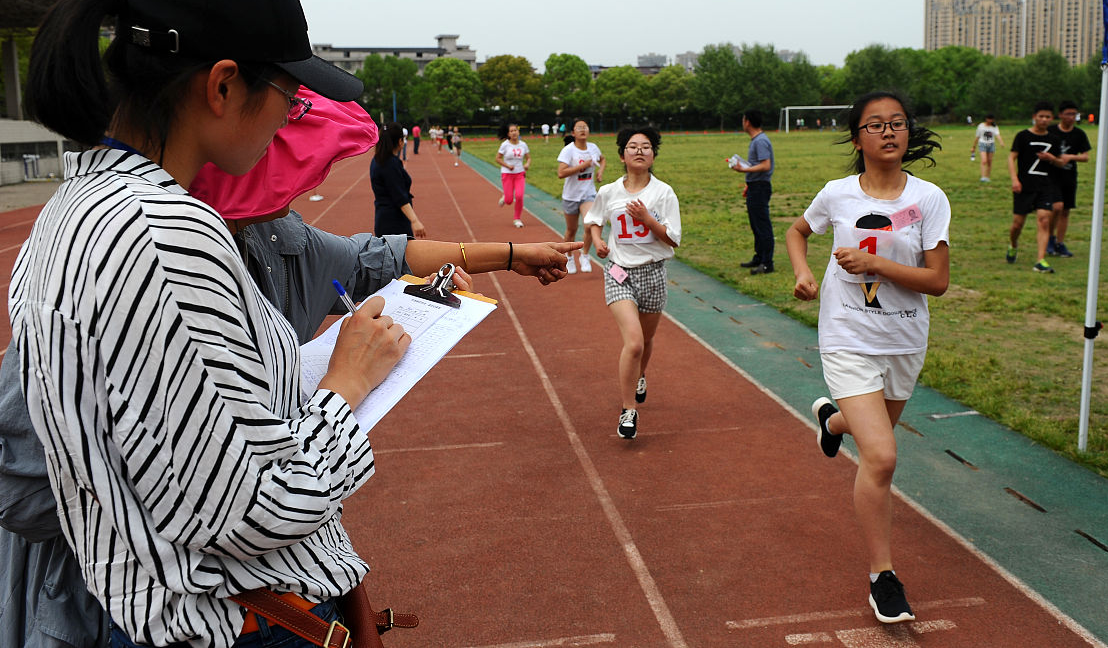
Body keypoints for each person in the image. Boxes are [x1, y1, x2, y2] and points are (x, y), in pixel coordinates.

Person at [2, 81, 579, 648]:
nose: (292, 189)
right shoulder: (148, 258)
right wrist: (143, 495)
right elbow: (29, 480)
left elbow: (375, 257)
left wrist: (506, 255)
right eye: (277, 145)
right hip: (152, 598)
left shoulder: (275, 237)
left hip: (281, 575)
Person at [11, 0, 415, 648]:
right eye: (288, 102)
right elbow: (258, 507)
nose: (287, 125)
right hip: (217, 624)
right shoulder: (167, 232)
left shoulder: (71, 209)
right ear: (224, 86)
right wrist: (347, 384)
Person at [785, 90, 949, 625]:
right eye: (875, 125)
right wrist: (804, 273)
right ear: (858, 138)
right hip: (847, 337)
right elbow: (796, 231)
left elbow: (937, 281)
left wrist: (870, 264)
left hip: (904, 339)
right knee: (881, 457)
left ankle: (833, 421)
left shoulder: (928, 200)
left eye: (897, 123)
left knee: (868, 428)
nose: (888, 132)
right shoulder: (837, 194)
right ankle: (883, 579)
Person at [585, 127, 681, 440]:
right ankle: (629, 410)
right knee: (635, 342)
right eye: (632, 146)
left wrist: (648, 219)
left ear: (653, 155)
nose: (639, 151)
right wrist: (598, 241)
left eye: (646, 147)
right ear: (622, 154)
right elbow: (595, 220)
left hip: (653, 273)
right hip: (618, 272)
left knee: (647, 341)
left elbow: (673, 239)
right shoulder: (609, 192)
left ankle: (640, 376)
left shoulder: (663, 192)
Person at [1006, 101, 1062, 273]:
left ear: (1052, 118)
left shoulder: (1054, 139)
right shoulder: (1023, 136)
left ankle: (1040, 260)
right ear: (1034, 117)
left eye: (1048, 117)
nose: (1044, 120)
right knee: (1017, 225)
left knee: (1044, 220)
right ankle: (1013, 245)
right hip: (1024, 186)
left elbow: (1060, 162)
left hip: (1045, 186)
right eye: (1041, 116)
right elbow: (1011, 158)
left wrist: (1051, 158)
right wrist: (1015, 180)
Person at [557, 119, 606, 273]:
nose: (583, 130)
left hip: (588, 194)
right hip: (571, 196)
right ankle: (569, 257)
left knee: (590, 224)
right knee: (571, 230)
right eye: (579, 128)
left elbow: (602, 159)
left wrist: (600, 171)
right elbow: (561, 173)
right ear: (573, 133)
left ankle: (584, 255)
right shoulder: (569, 150)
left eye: (585, 127)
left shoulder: (593, 148)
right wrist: (582, 166)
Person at [731, 112, 775, 274]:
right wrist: (748, 183)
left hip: (761, 187)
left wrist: (744, 170)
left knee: (762, 225)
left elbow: (765, 165)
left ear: (748, 122)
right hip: (755, 186)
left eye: (743, 119)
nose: (742, 122)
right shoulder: (756, 140)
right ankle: (759, 257)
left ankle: (767, 262)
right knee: (756, 224)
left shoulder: (760, 141)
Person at [1045, 100, 1090, 258]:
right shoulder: (1050, 131)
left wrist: (1070, 157)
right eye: (1068, 114)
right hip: (1052, 176)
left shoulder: (1079, 134)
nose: (1071, 117)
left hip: (1069, 176)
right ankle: (1049, 238)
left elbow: (1086, 157)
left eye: (1074, 114)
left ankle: (1059, 243)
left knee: (1065, 211)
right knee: (1056, 207)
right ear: (1060, 115)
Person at [370, 122, 426, 238]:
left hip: (384, 218)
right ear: (400, 141)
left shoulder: (377, 160)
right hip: (394, 222)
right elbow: (399, 196)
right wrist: (415, 221)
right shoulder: (390, 164)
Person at [497, 122, 530, 228]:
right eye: (511, 131)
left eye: (515, 130)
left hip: (520, 173)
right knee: (509, 200)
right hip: (507, 174)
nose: (514, 133)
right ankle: (505, 197)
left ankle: (517, 219)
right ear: (508, 134)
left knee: (519, 196)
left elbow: (528, 157)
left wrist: (527, 164)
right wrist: (507, 166)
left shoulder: (523, 144)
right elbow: (497, 158)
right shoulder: (505, 145)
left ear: (518, 131)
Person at [969, 113, 1004, 182]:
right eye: (989, 119)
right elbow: (977, 136)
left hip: (991, 145)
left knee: (989, 161)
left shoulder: (994, 127)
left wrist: (1001, 142)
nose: (990, 120)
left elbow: (998, 135)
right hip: (982, 144)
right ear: (986, 119)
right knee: (984, 161)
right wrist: (973, 147)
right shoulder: (981, 126)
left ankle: (987, 177)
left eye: (991, 119)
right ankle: (983, 177)